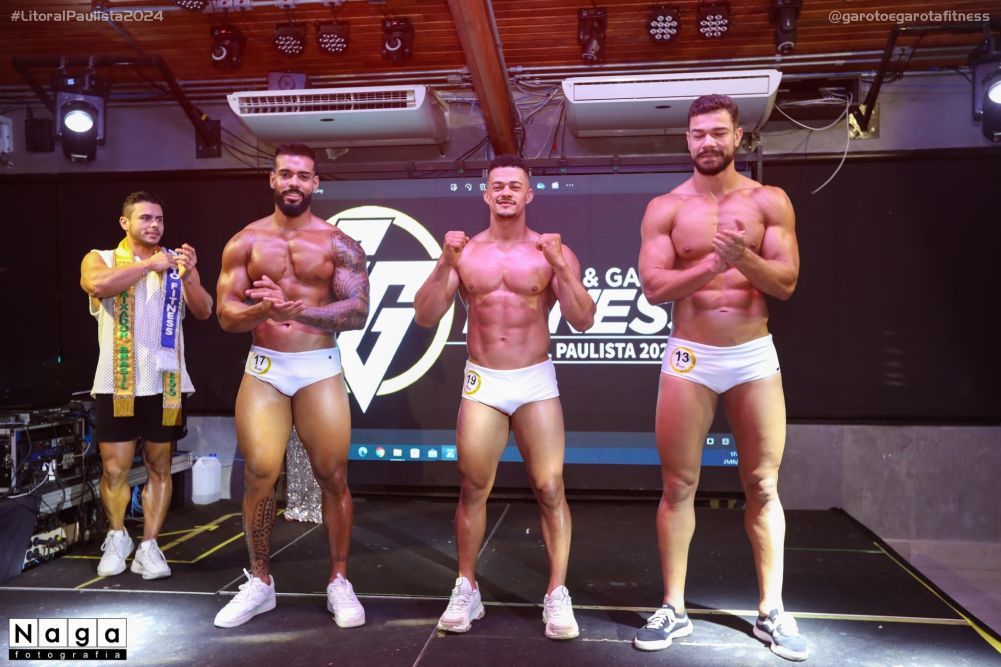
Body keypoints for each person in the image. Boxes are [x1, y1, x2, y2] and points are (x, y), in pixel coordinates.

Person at [634, 94, 807, 661]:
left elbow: (785, 283)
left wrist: (743, 258)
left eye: (717, 132)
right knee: (678, 485)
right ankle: (674, 608)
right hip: (690, 355)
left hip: (752, 354)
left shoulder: (768, 200)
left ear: (738, 136)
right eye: (697, 134)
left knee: (762, 484)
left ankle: (772, 611)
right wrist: (713, 262)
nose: (706, 142)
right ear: (687, 140)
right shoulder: (666, 207)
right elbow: (654, 287)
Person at [414, 154, 596, 640]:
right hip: (484, 382)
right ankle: (467, 587)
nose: (506, 193)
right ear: (485, 194)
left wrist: (561, 267)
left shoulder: (551, 251)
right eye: (498, 185)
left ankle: (557, 593)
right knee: (473, 486)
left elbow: (583, 318)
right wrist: (444, 261)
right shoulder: (465, 253)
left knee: (550, 486)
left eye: (515, 185)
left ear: (529, 194)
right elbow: (425, 316)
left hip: (535, 380)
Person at [213, 144, 370, 629]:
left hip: (318, 367)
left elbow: (357, 312)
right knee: (260, 473)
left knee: (333, 476)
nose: (294, 183)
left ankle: (339, 580)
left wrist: (299, 311)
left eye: (303, 175)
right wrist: (263, 310)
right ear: (272, 180)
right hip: (266, 368)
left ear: (316, 183)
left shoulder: (339, 244)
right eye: (286, 174)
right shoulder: (245, 241)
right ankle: (260, 581)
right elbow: (225, 316)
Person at [80, 191, 213, 581]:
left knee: (160, 466)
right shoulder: (101, 257)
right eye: (145, 218)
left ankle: (150, 545)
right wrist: (147, 266)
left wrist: (188, 276)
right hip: (116, 381)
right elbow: (96, 285)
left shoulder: (175, 263)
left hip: (164, 383)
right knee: (115, 469)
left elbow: (204, 310)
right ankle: (117, 535)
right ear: (125, 222)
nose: (154, 225)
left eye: (159, 219)